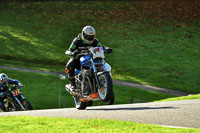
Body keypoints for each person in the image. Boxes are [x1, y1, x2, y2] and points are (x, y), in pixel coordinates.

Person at [65, 26, 103, 91]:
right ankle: (72, 84)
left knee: (101, 64)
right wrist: (72, 53)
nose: (90, 38)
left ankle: (101, 81)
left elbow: (101, 47)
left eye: (91, 37)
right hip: (78, 59)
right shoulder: (77, 41)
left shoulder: (95, 41)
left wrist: (106, 49)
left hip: (91, 59)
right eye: (88, 37)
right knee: (69, 66)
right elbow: (69, 50)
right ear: (83, 34)